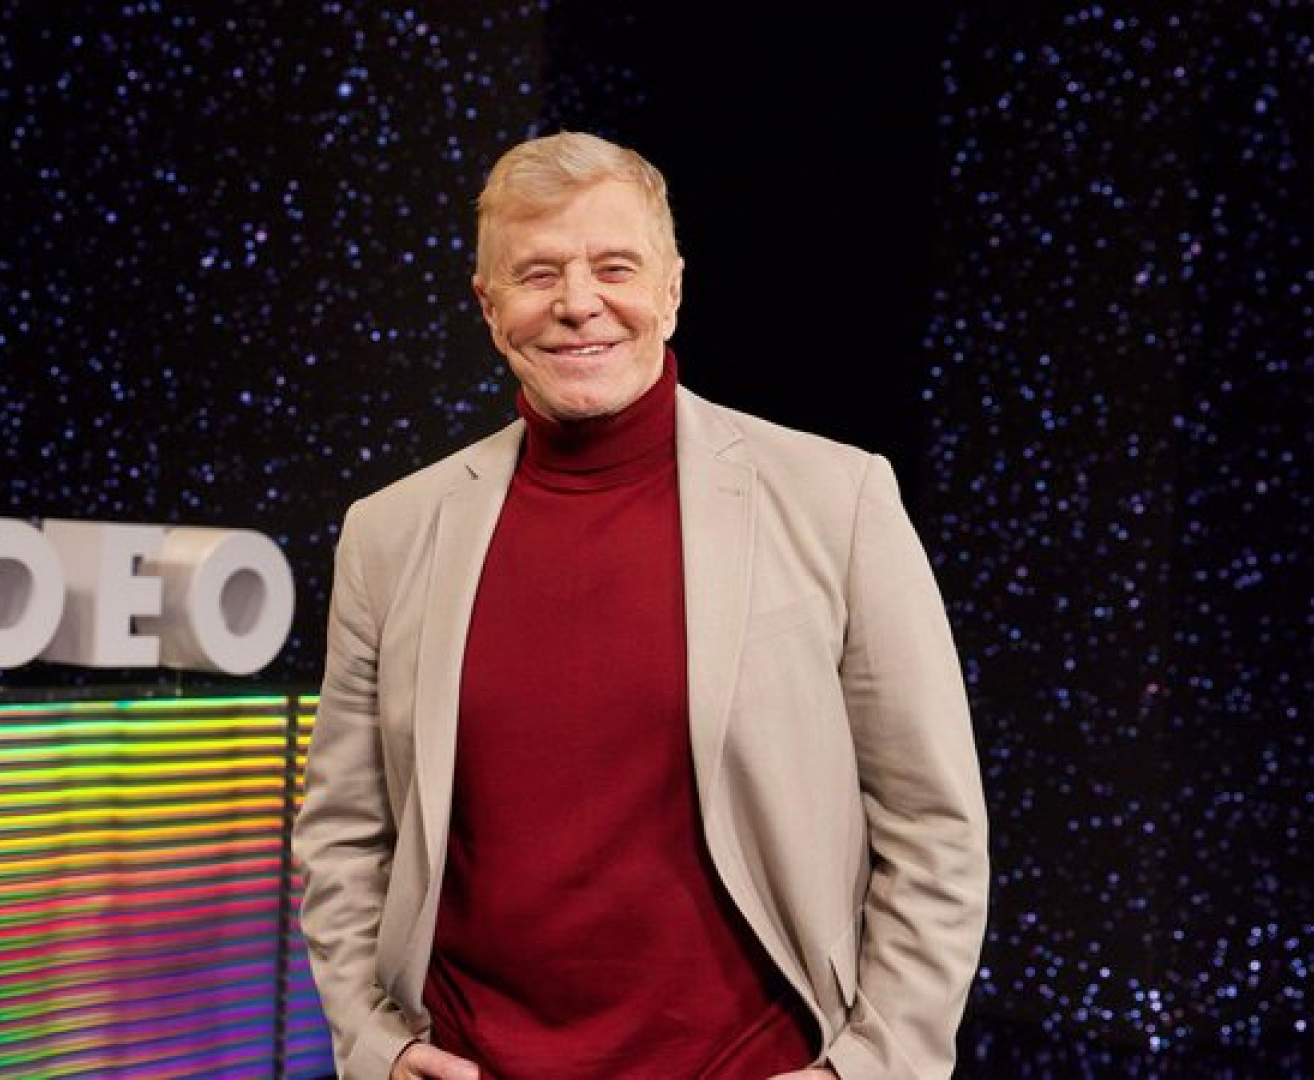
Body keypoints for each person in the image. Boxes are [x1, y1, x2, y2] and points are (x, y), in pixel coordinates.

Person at [293, 131, 989, 1080]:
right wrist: (376, 1044)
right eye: (538, 273)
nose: (578, 303)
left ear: (671, 289)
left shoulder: (838, 501)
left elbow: (934, 827)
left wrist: (871, 1066)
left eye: (614, 266)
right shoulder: (390, 532)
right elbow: (344, 833)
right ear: (489, 307)